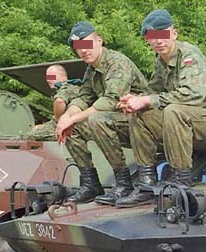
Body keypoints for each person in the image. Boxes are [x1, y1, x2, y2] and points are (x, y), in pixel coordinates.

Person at [115, 9, 206, 207]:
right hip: (192, 120)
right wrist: (135, 100)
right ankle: (147, 181)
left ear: (174, 33)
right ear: (147, 41)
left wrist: (147, 100)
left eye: (163, 34)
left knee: (173, 110)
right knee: (140, 113)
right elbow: (154, 92)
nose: (158, 41)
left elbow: (193, 95)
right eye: (152, 37)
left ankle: (181, 180)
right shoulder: (161, 62)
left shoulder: (189, 55)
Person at [55, 21, 149, 205]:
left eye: (87, 44)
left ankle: (123, 184)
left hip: (143, 122)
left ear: (99, 41)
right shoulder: (92, 70)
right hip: (119, 121)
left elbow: (110, 100)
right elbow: (83, 98)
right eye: (78, 48)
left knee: (97, 118)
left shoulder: (117, 62)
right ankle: (90, 184)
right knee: (74, 127)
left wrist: (71, 118)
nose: (83, 51)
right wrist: (66, 117)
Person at [27, 65, 81, 141]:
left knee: (31, 135)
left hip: (71, 128)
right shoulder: (75, 87)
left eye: (52, 77)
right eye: (47, 78)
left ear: (62, 76)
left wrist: (57, 121)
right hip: (75, 125)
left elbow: (60, 101)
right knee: (36, 128)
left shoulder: (65, 88)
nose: (49, 80)